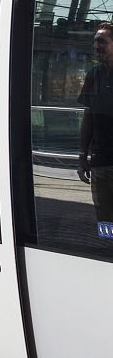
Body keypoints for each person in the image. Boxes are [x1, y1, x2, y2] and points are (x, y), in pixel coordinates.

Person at [77, 22, 113, 223]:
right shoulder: (94, 75)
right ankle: (107, 250)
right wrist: (83, 156)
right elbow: (88, 117)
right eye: (95, 42)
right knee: (105, 221)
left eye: (102, 41)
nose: (96, 46)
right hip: (99, 162)